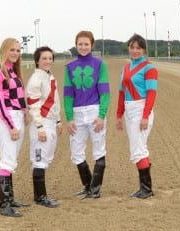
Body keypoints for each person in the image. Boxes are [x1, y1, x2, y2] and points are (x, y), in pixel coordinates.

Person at [63, 31, 110, 199]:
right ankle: (88, 186)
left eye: (86, 44)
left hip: (94, 111)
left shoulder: (100, 65)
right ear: (76, 45)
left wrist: (101, 115)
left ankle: (95, 191)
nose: (83, 47)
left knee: (98, 150)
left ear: (92, 45)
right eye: (80, 44)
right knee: (76, 153)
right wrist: (69, 118)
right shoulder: (69, 67)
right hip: (76, 113)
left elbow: (105, 92)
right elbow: (68, 95)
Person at [0, 37, 29, 217]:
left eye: (18, 50)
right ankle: (4, 205)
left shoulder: (14, 71)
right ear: (4, 50)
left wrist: (25, 111)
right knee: (7, 160)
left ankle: (10, 199)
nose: (16, 53)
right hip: (8, 119)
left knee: (12, 159)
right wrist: (11, 125)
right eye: (12, 50)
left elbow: (19, 95)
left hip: (18, 117)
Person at [116, 33, 158, 199]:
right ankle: (145, 188)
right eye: (132, 47)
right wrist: (119, 115)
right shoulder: (126, 68)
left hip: (141, 109)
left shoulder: (149, 68)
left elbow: (151, 94)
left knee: (138, 149)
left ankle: (146, 189)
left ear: (143, 49)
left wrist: (145, 116)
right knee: (139, 147)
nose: (135, 50)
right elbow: (121, 92)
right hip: (129, 110)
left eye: (138, 48)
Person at [25, 46, 62, 208]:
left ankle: (41, 195)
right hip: (42, 122)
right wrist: (40, 127)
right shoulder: (36, 79)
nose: (48, 61)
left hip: (51, 122)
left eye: (50, 58)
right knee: (39, 160)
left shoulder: (49, 76)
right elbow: (33, 104)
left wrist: (59, 121)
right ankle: (40, 197)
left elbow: (55, 101)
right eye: (44, 58)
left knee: (46, 158)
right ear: (37, 61)